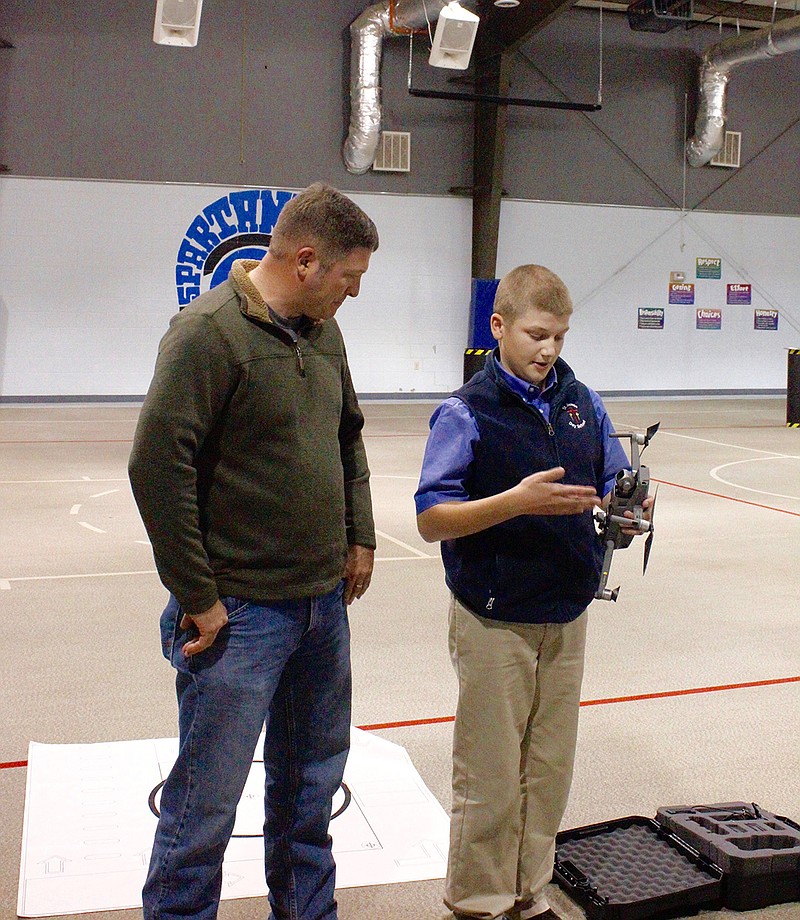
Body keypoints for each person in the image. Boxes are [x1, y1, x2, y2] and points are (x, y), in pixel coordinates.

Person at [128, 182, 379, 920]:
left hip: (320, 611)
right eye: (349, 278)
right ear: (306, 260)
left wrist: (358, 534)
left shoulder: (325, 334)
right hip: (238, 617)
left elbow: (348, 437)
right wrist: (198, 596)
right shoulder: (208, 334)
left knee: (309, 791)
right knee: (204, 806)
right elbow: (156, 465)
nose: (353, 295)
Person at [415, 264, 649, 920]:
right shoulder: (466, 412)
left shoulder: (583, 403)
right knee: (490, 775)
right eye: (536, 334)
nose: (549, 349)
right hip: (493, 618)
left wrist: (628, 508)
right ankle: (479, 903)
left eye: (560, 337)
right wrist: (515, 503)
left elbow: (615, 480)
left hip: (566, 613)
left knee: (546, 773)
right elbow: (432, 518)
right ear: (499, 327)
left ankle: (529, 894)